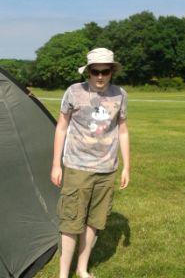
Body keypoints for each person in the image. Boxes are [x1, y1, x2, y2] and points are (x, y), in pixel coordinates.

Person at [50, 48, 130, 278]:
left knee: (94, 221)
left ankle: (82, 269)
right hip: (77, 168)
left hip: (106, 170)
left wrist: (126, 166)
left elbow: (122, 130)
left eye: (105, 72)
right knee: (71, 222)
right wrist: (56, 164)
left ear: (112, 71)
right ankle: (63, 275)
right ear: (88, 72)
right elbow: (61, 127)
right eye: (95, 72)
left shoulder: (120, 95)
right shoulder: (73, 92)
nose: (100, 77)